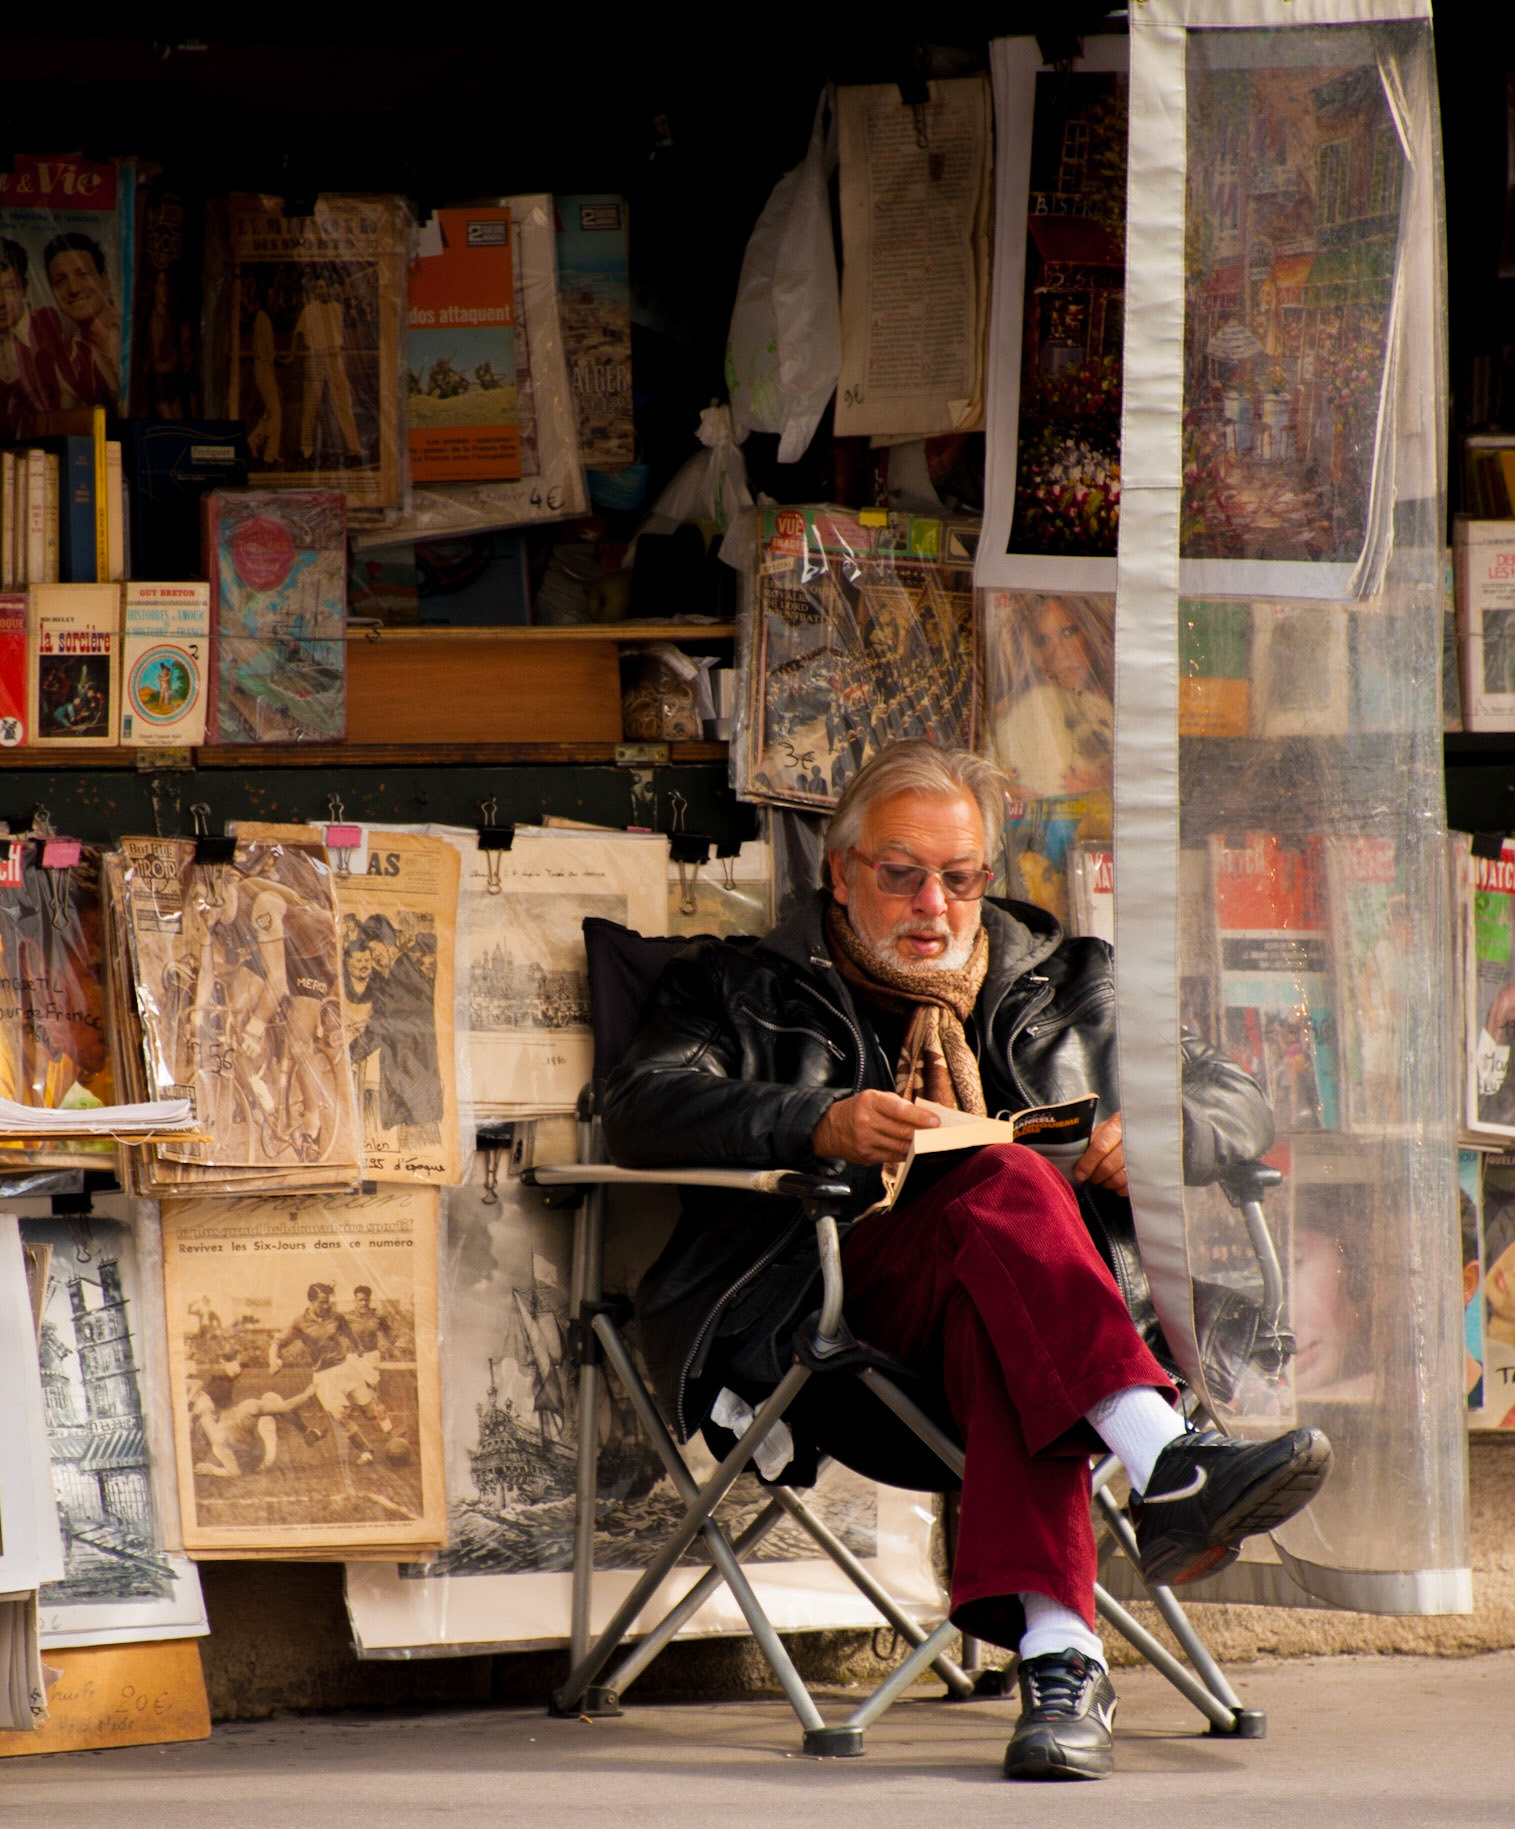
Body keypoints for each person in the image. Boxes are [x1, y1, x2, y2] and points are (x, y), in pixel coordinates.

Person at [604, 740, 1331, 1783]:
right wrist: (819, 1118)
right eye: (901, 873)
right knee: (1016, 1179)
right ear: (842, 872)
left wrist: (1165, 1130)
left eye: (961, 876)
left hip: (1039, 1331)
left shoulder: (1076, 979)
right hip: (840, 1313)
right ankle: (1165, 1452)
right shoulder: (740, 985)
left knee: (1008, 1291)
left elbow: (1239, 1092)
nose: (933, 902)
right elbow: (639, 1106)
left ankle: (1060, 1659)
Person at [293, 275, 363, 462]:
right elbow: (298, 334)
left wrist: (348, 297)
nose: (321, 291)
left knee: (342, 404)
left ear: (331, 289)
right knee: (311, 404)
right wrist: (295, 355)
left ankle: (354, 449)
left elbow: (355, 322)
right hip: (315, 357)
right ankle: (306, 448)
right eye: (318, 287)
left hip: (334, 356)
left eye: (324, 287)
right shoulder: (308, 310)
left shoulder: (339, 308)